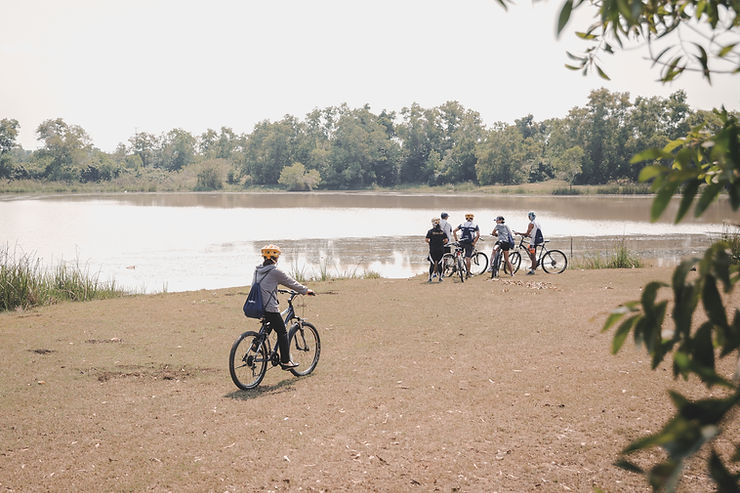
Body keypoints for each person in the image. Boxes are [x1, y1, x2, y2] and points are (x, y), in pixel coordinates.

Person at [252, 244, 315, 369]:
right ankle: (286, 362)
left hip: (256, 306)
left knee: (270, 324)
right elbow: (291, 283)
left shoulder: (257, 269)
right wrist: (306, 290)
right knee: (282, 331)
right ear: (275, 257)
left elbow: (263, 285)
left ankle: (256, 344)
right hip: (269, 307)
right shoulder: (275, 271)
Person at [514, 211, 543, 275]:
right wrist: (530, 235)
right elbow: (535, 231)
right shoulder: (537, 222)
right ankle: (534, 263)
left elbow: (526, 233)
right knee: (529, 248)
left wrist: (518, 233)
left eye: (529, 216)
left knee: (533, 256)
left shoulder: (531, 223)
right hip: (536, 240)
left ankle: (532, 270)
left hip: (534, 241)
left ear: (530, 216)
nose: (528, 218)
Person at [453, 213, 480, 277]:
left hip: (461, 242)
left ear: (466, 219)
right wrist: (474, 242)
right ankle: (468, 273)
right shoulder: (475, 225)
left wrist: (456, 240)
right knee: (468, 258)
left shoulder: (462, 224)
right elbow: (478, 235)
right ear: (472, 218)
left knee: (459, 254)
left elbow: (454, 231)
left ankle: (456, 267)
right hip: (469, 243)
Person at [425, 217, 448, 282]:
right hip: (441, 250)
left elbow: (426, 240)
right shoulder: (442, 232)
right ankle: (440, 278)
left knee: (432, 264)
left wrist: (431, 243)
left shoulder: (430, 231)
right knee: (439, 264)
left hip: (433, 250)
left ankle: (430, 278)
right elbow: (446, 240)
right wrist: (441, 243)